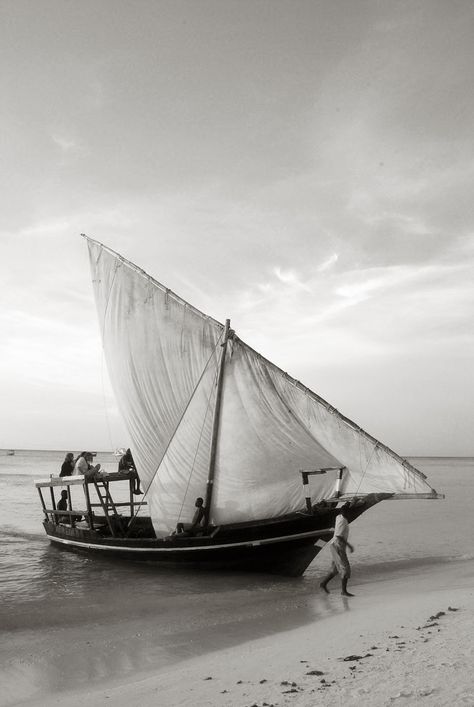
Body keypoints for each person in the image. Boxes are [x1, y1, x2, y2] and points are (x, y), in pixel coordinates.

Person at [319, 503, 355, 597]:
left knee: (335, 570)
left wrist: (352, 502)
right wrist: (349, 546)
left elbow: (346, 506)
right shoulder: (343, 521)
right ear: (346, 513)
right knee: (345, 569)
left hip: (333, 545)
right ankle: (344, 591)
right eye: (349, 512)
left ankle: (323, 584)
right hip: (338, 546)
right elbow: (339, 536)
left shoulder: (338, 516)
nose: (350, 514)